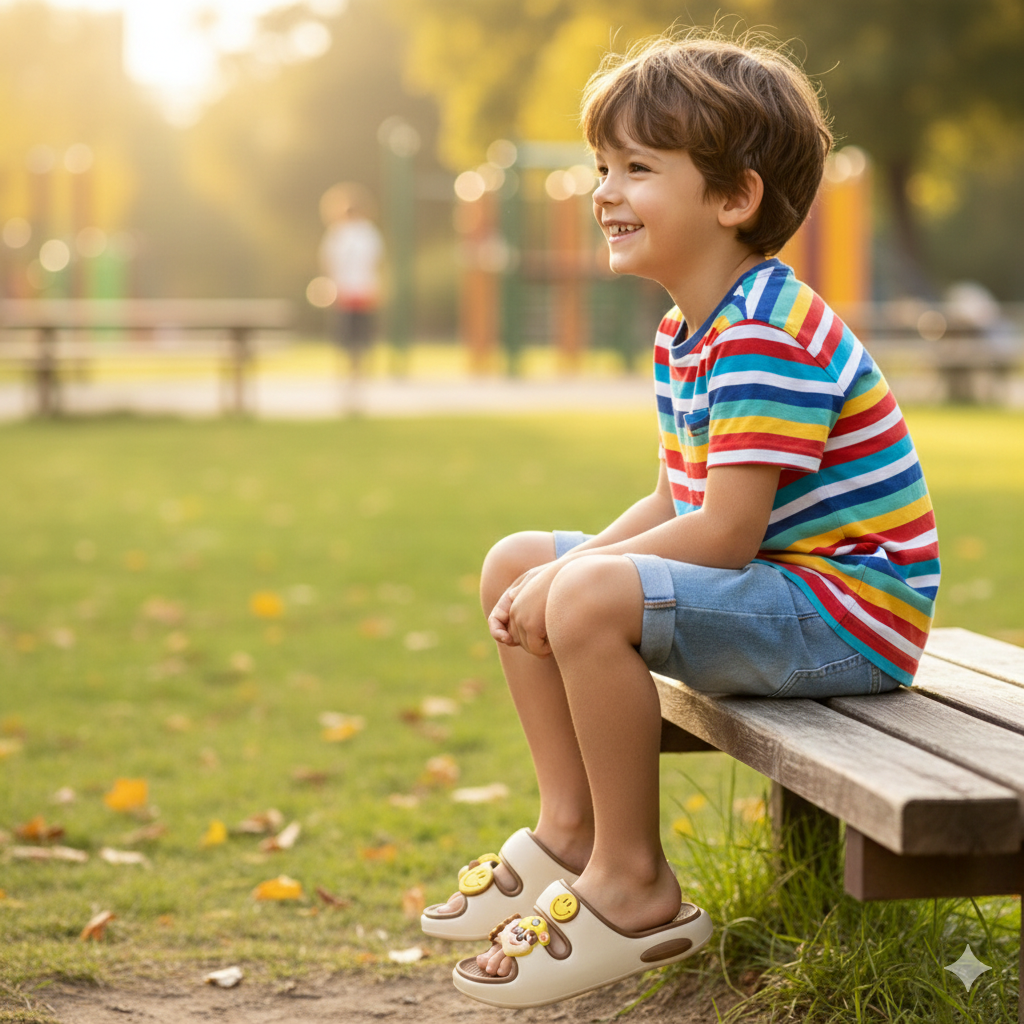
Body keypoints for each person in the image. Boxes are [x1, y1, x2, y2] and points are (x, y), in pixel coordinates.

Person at [422, 30, 940, 1009]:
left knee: (577, 592)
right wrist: (552, 572)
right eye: (600, 167)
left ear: (733, 198)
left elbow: (724, 532)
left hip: (845, 615)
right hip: (783, 592)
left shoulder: (766, 329)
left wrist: (577, 587)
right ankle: (570, 828)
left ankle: (635, 884)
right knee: (515, 560)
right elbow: (675, 498)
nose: (603, 191)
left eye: (636, 169)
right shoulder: (688, 331)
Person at [318, 182, 383, 377]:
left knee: (349, 330)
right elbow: (376, 260)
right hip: (359, 288)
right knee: (358, 330)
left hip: (349, 288)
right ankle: (358, 367)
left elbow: (328, 261)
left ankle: (350, 367)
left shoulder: (339, 233)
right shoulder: (367, 232)